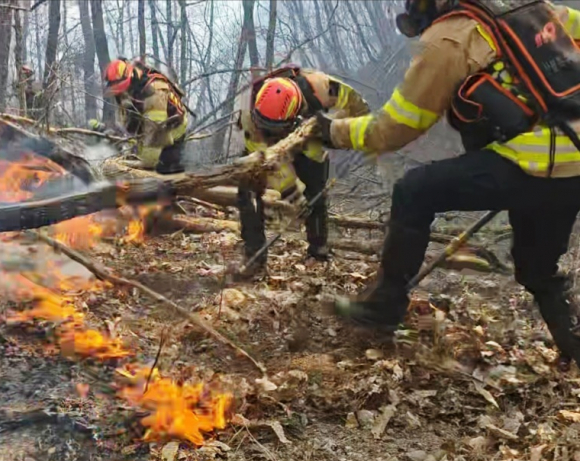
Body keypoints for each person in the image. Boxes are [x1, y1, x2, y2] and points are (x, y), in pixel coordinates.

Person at [311, 0, 580, 367]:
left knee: (414, 191)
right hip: (572, 166)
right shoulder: (532, 8)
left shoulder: (450, 37)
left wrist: (333, 132)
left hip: (532, 163)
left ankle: (385, 305)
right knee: (537, 269)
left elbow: (394, 127)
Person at [236, 66, 370, 276]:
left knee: (315, 192)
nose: (272, 132)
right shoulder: (250, 114)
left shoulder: (322, 87)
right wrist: (286, 191)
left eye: (275, 129)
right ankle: (254, 256)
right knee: (248, 191)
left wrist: (353, 141)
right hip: (266, 145)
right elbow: (258, 164)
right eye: (266, 126)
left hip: (310, 133)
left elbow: (362, 110)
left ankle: (318, 251)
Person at [102, 58, 189, 174]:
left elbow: (156, 133)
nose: (119, 92)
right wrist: (132, 153)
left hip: (171, 129)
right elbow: (131, 128)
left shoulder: (155, 91)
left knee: (163, 170)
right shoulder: (129, 92)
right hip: (150, 127)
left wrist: (143, 163)